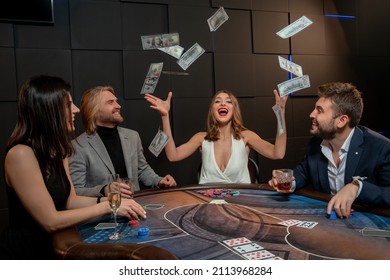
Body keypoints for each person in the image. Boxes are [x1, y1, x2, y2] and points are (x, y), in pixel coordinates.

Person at [0, 75, 145, 260]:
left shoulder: (60, 149)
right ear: (49, 108)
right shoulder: (20, 154)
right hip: (26, 252)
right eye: (68, 104)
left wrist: (115, 202)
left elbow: (70, 201)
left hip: (57, 245)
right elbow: (50, 221)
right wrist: (108, 206)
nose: (76, 109)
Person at [268, 82, 390, 218]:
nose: (311, 114)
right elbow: (303, 173)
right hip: (328, 224)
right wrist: (288, 182)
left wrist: (357, 187)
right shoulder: (316, 144)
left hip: (369, 226)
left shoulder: (380, 148)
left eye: (319, 110)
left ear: (342, 121)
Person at [144, 89, 287, 184]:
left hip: (242, 205)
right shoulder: (201, 138)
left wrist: (280, 113)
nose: (223, 103)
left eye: (228, 101)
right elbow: (172, 156)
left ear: (233, 109)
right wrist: (165, 116)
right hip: (207, 205)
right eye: (217, 101)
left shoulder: (246, 137)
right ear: (212, 110)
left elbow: (278, 153)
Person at [69, 86, 176, 199]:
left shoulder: (132, 136)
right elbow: (76, 190)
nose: (118, 106)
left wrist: (159, 180)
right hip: (105, 213)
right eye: (110, 102)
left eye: (117, 101)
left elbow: (142, 170)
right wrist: (104, 190)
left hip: (136, 207)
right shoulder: (77, 146)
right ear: (93, 110)